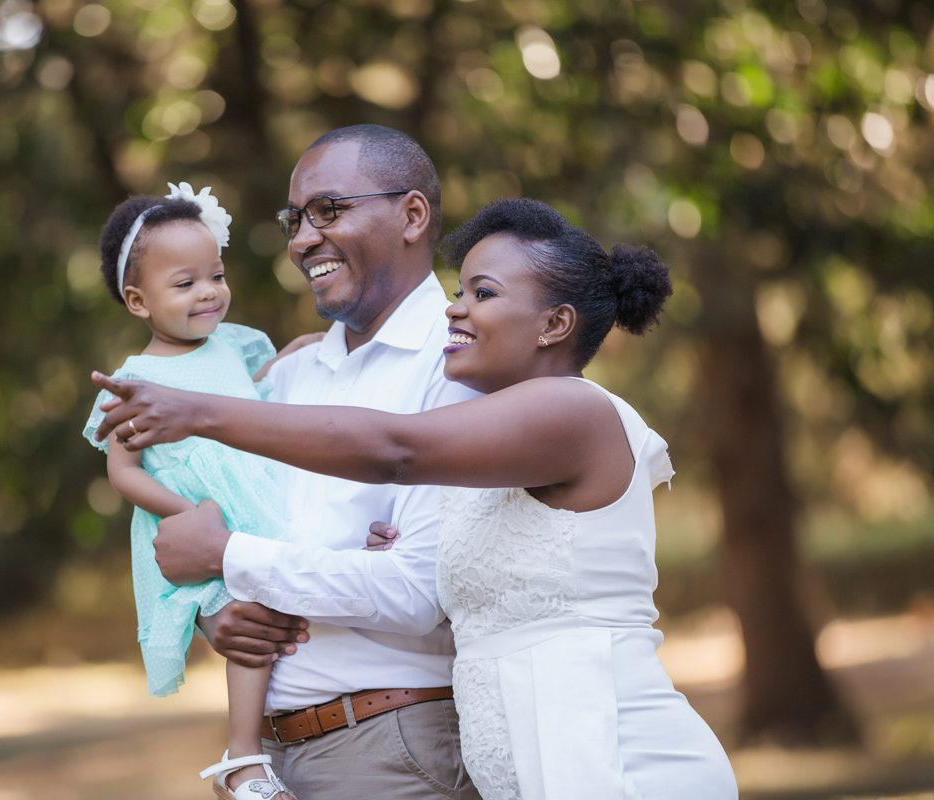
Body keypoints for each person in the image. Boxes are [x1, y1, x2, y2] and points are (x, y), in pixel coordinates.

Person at [94, 198, 739, 799]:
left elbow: (395, 450)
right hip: (535, 763)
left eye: (483, 294)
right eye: (461, 291)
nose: (455, 308)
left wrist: (198, 413)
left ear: (555, 324)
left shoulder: (571, 408)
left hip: (615, 753)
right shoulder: (494, 437)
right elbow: (424, 575)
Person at [94, 126, 482, 799]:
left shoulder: (456, 365)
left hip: (387, 749)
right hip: (278, 758)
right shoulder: (290, 374)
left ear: (412, 215)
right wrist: (223, 617)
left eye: (330, 210)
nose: (302, 239)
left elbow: (415, 595)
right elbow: (249, 522)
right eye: (294, 218)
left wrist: (229, 556)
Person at [82, 182, 314, 800]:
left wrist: (306, 350)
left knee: (287, 622)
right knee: (248, 629)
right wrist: (193, 517)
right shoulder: (135, 381)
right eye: (184, 284)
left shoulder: (233, 345)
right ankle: (243, 759)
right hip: (192, 524)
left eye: (215, 275)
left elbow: (257, 393)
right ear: (139, 300)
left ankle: (271, 747)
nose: (209, 292)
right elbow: (124, 473)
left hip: (255, 504)